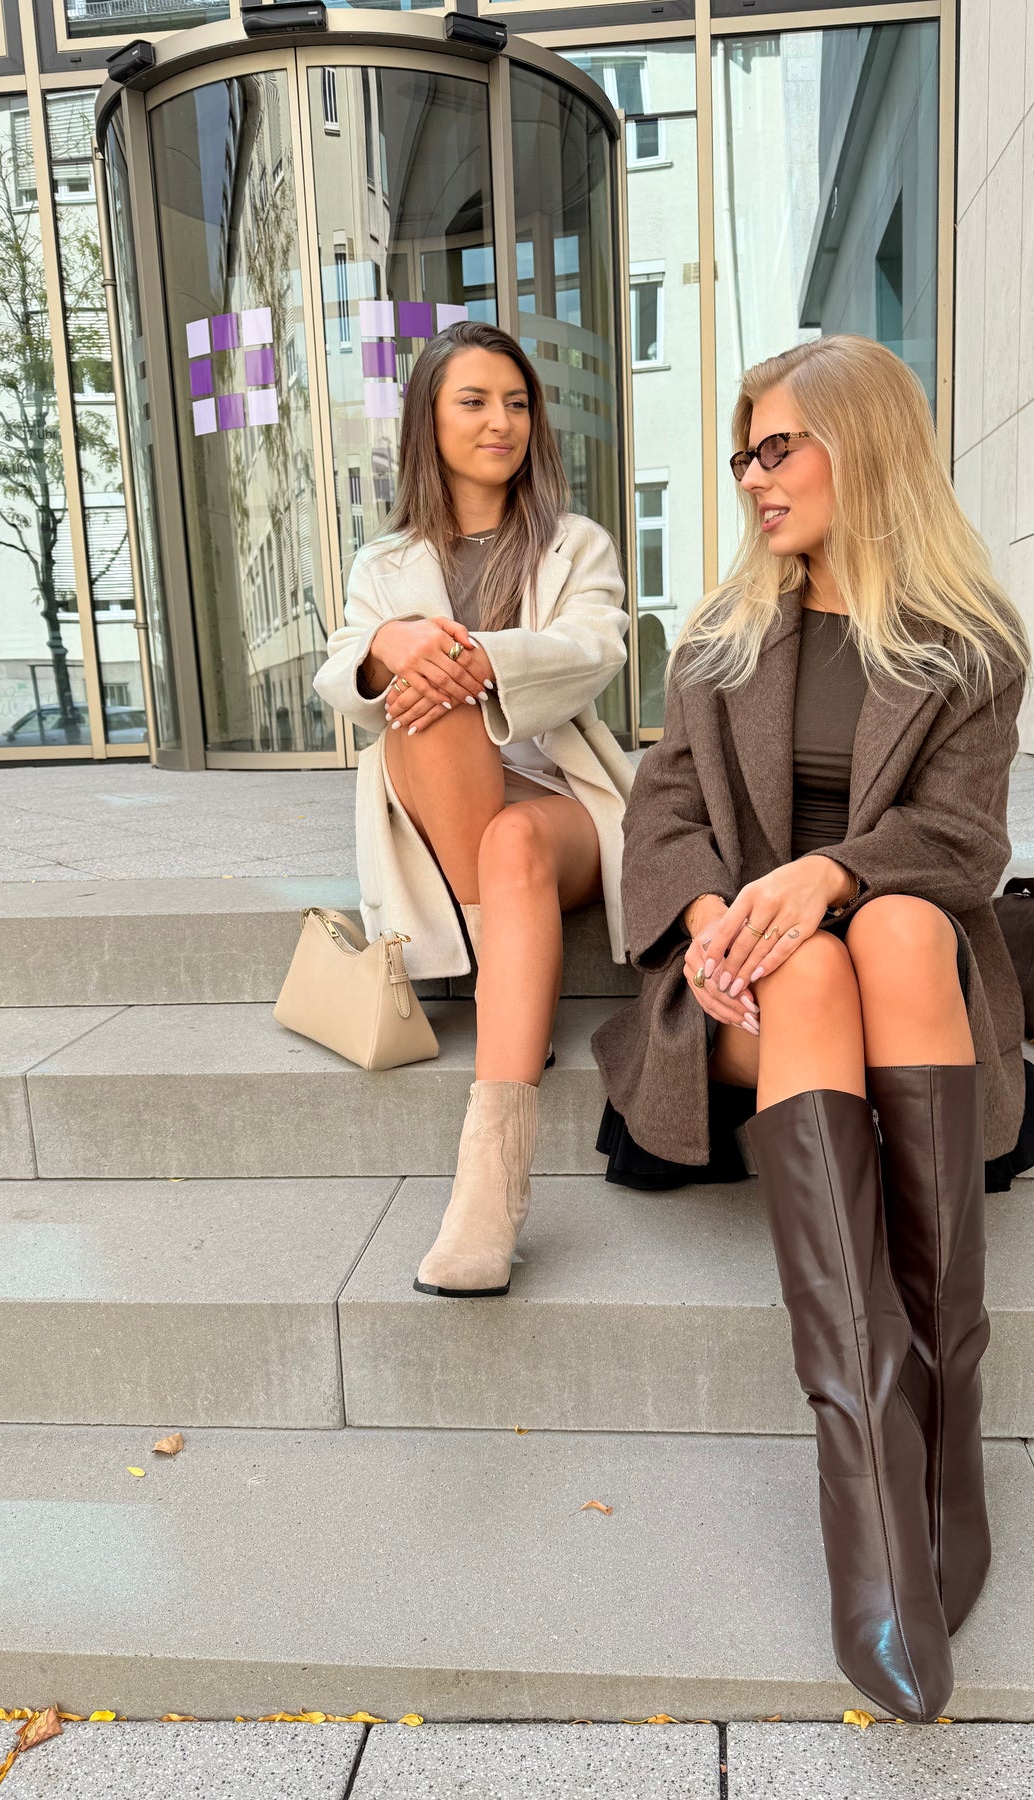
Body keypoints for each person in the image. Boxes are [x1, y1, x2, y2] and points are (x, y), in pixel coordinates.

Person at [592, 334, 1034, 1721]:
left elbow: (962, 840)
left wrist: (831, 875)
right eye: (743, 453)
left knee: (902, 928)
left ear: (862, 445)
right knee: (805, 973)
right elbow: (661, 814)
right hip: (752, 983)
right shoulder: (718, 637)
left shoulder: (968, 644)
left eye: (776, 447)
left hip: (900, 955)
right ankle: (867, 1464)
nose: (752, 477)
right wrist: (712, 923)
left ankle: (945, 1429)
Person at [314, 319, 633, 1298]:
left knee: (503, 809)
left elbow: (598, 647)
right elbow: (339, 671)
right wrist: (389, 645)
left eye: (517, 402)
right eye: (475, 401)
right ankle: (511, 999)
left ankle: (488, 1190)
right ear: (429, 418)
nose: (502, 421)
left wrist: (476, 657)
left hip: (562, 800)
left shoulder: (575, 542)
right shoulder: (385, 562)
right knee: (421, 690)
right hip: (453, 804)